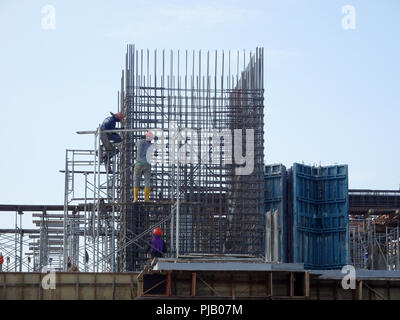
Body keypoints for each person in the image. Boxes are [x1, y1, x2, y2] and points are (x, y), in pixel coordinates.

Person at [133, 131, 154, 202]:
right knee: (147, 181)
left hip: (139, 163)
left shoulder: (140, 142)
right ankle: (146, 198)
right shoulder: (151, 145)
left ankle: (135, 198)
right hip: (147, 164)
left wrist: (142, 138)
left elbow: (136, 144)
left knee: (136, 180)